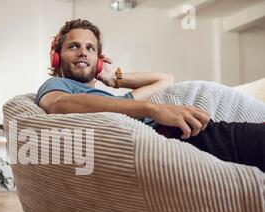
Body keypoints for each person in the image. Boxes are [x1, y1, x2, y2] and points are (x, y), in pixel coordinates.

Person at [36, 19, 265, 172]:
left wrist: (112, 77)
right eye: (73, 46)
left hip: (190, 133)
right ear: (56, 58)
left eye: (90, 48)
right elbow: (58, 104)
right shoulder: (55, 84)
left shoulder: (116, 102)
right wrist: (152, 109)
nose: (83, 52)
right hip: (172, 141)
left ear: (99, 60)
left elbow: (165, 79)